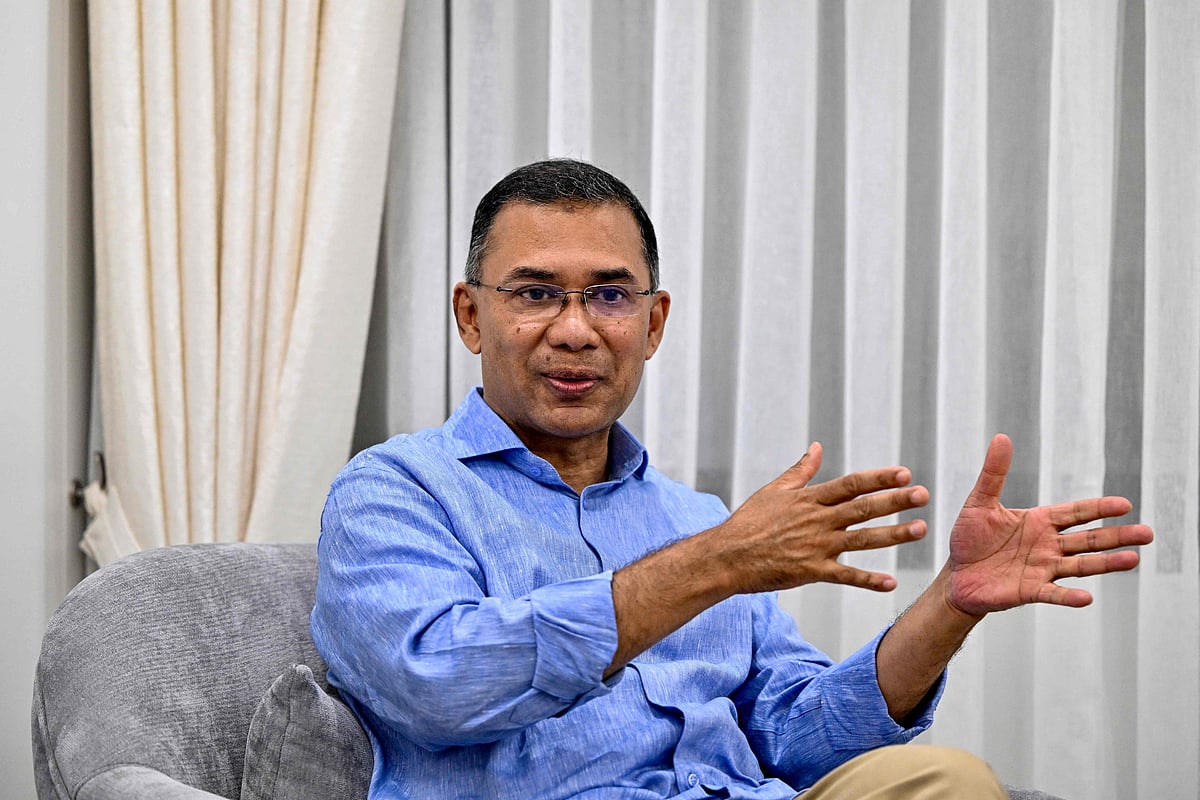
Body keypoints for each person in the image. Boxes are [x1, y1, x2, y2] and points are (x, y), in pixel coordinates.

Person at [311, 159, 1152, 799]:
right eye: (535, 293)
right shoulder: (394, 491)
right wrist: (719, 562)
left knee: (945, 778)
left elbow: (800, 735)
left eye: (609, 296)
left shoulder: (694, 516)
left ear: (653, 321)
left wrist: (950, 605)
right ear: (471, 314)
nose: (573, 331)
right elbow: (440, 689)